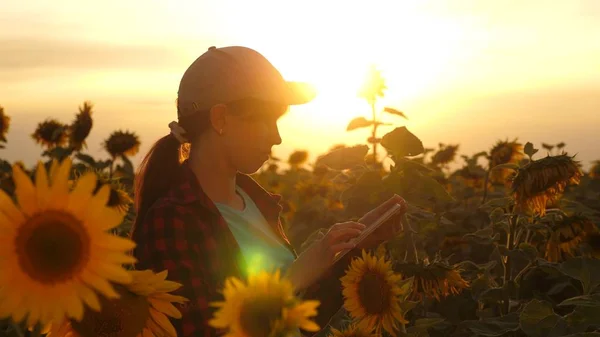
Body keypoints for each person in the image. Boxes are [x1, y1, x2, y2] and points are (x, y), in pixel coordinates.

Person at [130, 45, 407, 337]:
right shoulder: (174, 220)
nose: (276, 137)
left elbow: (296, 322)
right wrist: (295, 275)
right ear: (221, 119)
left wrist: (354, 250)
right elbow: (198, 330)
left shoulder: (257, 204)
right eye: (265, 119)